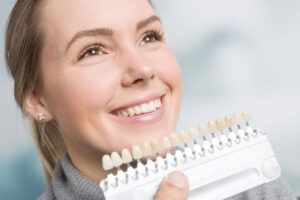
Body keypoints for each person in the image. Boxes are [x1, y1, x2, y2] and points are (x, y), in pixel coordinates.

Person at [5, 0, 297, 199]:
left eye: (149, 37)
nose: (142, 70)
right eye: (93, 51)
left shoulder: (257, 186)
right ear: (36, 99)